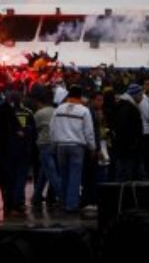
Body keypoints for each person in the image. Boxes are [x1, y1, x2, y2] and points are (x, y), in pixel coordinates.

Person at [50, 84, 96, 213]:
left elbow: (52, 129)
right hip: (77, 147)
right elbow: (89, 132)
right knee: (75, 176)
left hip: (60, 146)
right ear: (80, 96)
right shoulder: (84, 110)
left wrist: (54, 144)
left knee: (63, 175)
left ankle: (63, 202)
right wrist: (92, 147)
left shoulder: (58, 109)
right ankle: (72, 205)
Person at [111, 83, 144, 181]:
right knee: (126, 175)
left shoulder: (122, 105)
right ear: (135, 95)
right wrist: (134, 143)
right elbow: (125, 127)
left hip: (124, 147)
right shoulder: (129, 107)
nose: (142, 97)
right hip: (128, 148)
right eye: (141, 95)